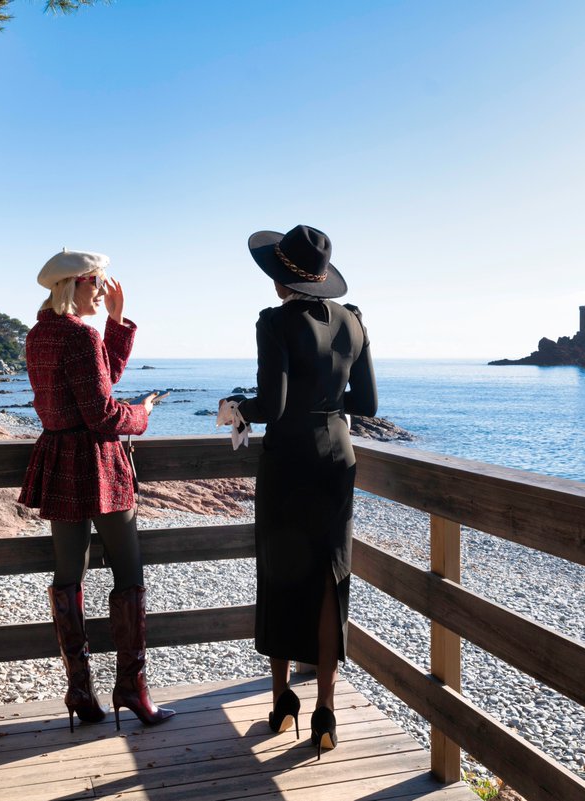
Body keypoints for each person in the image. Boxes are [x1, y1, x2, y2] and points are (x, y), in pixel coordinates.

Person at [219, 225, 377, 758]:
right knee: (332, 579)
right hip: (337, 461)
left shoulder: (275, 323)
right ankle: (326, 711)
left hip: (288, 463)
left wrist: (239, 407)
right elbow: (369, 403)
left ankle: (282, 699)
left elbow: (276, 403)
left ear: (281, 277)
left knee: (283, 573)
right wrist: (328, 404)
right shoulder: (354, 322)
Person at [18, 249, 174, 733]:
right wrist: (142, 414)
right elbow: (105, 414)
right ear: (76, 285)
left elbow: (97, 380)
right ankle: (131, 687)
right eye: (98, 284)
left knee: (69, 575)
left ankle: (80, 691)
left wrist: (117, 322)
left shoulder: (39, 333)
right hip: (97, 464)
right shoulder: (79, 334)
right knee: (128, 573)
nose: (104, 291)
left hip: (59, 460)